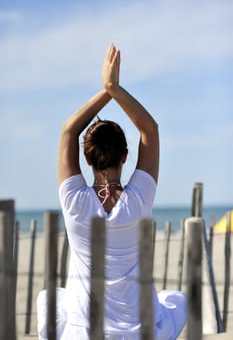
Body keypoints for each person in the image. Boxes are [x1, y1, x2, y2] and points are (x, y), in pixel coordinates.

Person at [37, 44, 187, 339]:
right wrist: (114, 88)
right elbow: (151, 130)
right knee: (177, 299)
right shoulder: (139, 200)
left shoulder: (74, 202)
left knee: (48, 297)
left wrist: (105, 90)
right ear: (125, 157)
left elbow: (69, 131)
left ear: (87, 160)